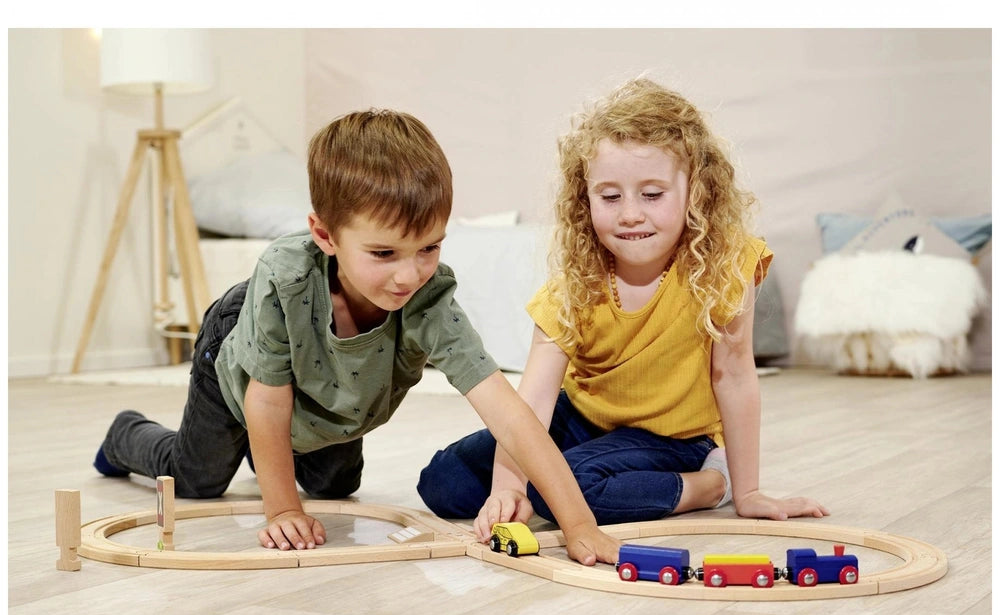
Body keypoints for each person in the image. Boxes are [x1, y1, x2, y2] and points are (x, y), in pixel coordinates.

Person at [94, 109, 618, 565]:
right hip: (239, 367)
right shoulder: (286, 278)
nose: (409, 275)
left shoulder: (428, 300)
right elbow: (267, 404)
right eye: (384, 253)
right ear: (324, 235)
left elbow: (510, 413)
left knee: (335, 487)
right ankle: (126, 434)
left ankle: (272, 455)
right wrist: (280, 510)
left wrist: (578, 523)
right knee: (198, 480)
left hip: (327, 400)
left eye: (429, 248)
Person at [417, 78, 829, 544]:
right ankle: (567, 479)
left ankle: (707, 485)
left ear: (695, 192)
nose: (630, 214)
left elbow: (733, 376)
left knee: (563, 490)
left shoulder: (726, 265)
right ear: (585, 198)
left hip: (674, 438)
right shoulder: (573, 283)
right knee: (443, 482)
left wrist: (749, 492)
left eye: (652, 194)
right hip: (583, 419)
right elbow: (531, 403)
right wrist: (506, 490)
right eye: (610, 197)